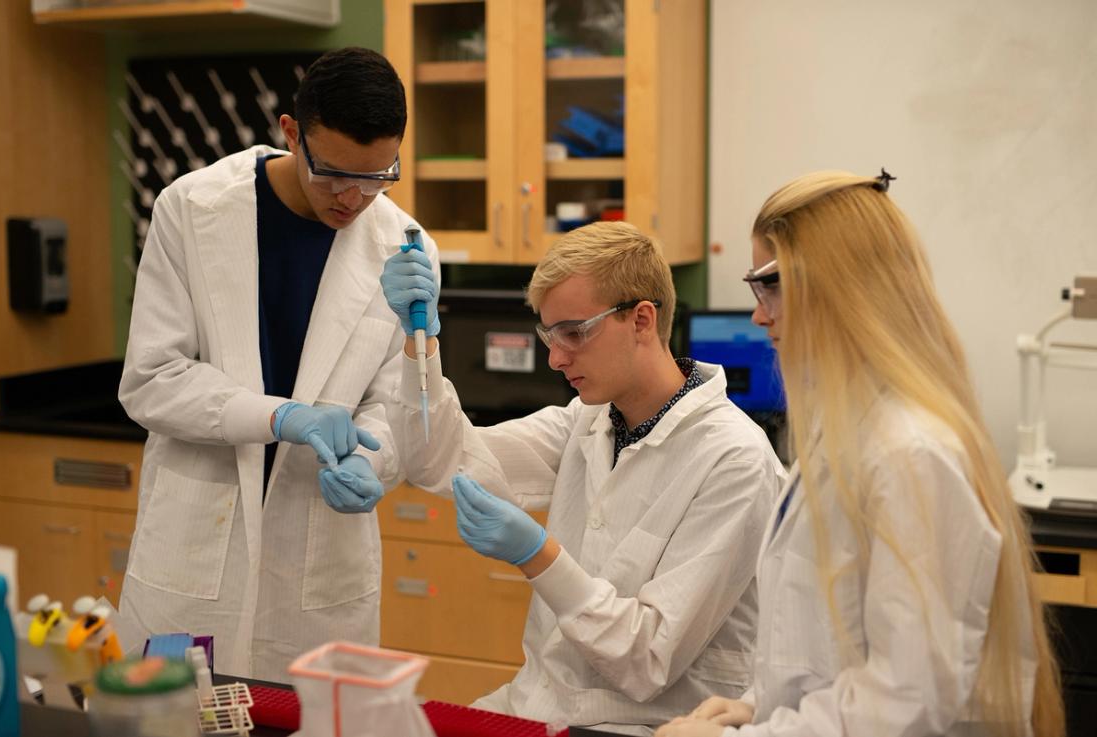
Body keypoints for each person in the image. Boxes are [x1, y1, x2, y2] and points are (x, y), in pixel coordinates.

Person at [654, 170, 1064, 737]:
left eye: (769, 284)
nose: (757, 313)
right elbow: (832, 646)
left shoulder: (909, 453)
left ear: (837, 283)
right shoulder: (849, 434)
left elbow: (909, 704)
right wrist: (758, 705)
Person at [381, 221, 785, 735]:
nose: (555, 357)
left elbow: (646, 661)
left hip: (645, 725)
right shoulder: (587, 421)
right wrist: (420, 340)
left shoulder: (734, 461)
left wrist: (538, 556)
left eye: (574, 333)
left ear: (641, 320)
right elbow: (437, 460)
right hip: (537, 706)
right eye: (548, 335)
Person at [118, 47, 440, 681]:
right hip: (194, 546)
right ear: (291, 133)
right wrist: (282, 417)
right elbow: (153, 380)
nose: (355, 198)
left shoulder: (405, 246)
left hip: (318, 564)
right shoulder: (192, 208)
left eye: (379, 175)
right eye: (335, 174)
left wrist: (372, 460)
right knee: (173, 722)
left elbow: (401, 402)